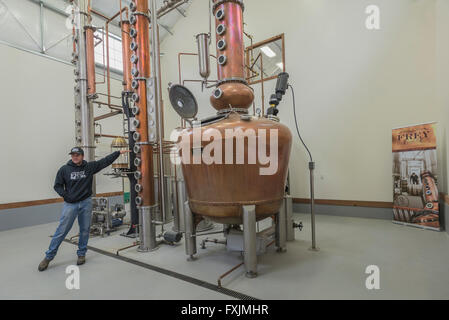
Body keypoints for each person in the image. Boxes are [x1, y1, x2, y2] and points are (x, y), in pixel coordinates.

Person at [38, 147, 130, 272]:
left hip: (86, 203)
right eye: (73, 155)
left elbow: (104, 161)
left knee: (85, 229)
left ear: (82, 156)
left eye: (77, 155)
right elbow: (57, 185)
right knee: (61, 230)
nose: (74, 157)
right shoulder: (64, 169)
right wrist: (66, 195)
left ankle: (81, 253)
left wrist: (118, 152)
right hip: (70, 205)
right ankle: (48, 257)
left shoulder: (89, 167)